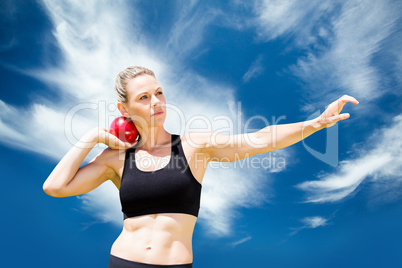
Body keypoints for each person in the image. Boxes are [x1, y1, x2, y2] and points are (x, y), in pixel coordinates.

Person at [43, 66, 359, 267]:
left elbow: (262, 138)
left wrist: (316, 123)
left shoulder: (195, 145)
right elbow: (55, 187)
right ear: (123, 108)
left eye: (159, 93)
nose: (156, 102)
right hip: (124, 261)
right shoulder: (115, 159)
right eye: (143, 97)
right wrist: (92, 137)